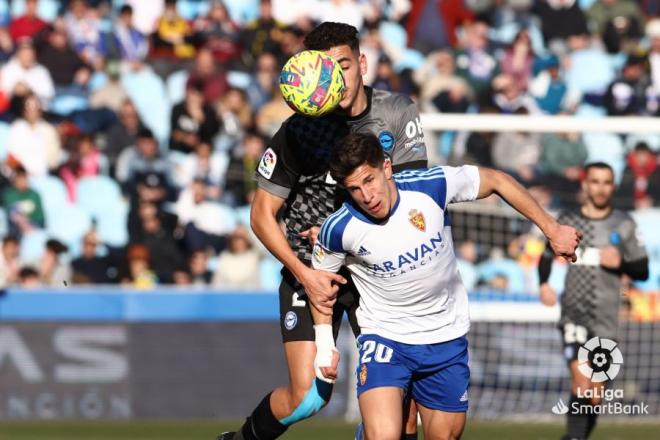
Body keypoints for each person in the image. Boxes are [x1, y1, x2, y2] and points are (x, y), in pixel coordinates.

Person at [218, 22, 428, 440]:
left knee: (401, 414)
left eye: (344, 66)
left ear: (362, 64)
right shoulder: (302, 129)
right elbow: (262, 214)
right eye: (326, 68)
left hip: (377, 275)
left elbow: (411, 200)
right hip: (312, 273)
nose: (337, 78)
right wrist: (304, 272)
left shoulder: (395, 112)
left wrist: (341, 230)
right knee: (308, 397)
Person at [310, 133, 581, 440]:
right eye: (355, 189)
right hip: (386, 336)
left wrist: (552, 228)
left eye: (369, 180)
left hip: (445, 335)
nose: (366, 195)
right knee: (383, 435)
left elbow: (496, 180)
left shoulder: (431, 185)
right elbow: (320, 287)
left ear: (386, 168)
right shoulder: (337, 229)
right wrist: (324, 346)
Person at [538, 162, 649, 440]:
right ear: (585, 185)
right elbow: (546, 255)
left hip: (606, 320)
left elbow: (643, 270)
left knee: (595, 394)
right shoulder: (568, 220)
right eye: (595, 181)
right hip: (574, 314)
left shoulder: (624, 224)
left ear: (613, 186)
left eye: (606, 182)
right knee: (582, 381)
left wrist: (621, 262)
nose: (600, 188)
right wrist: (543, 284)